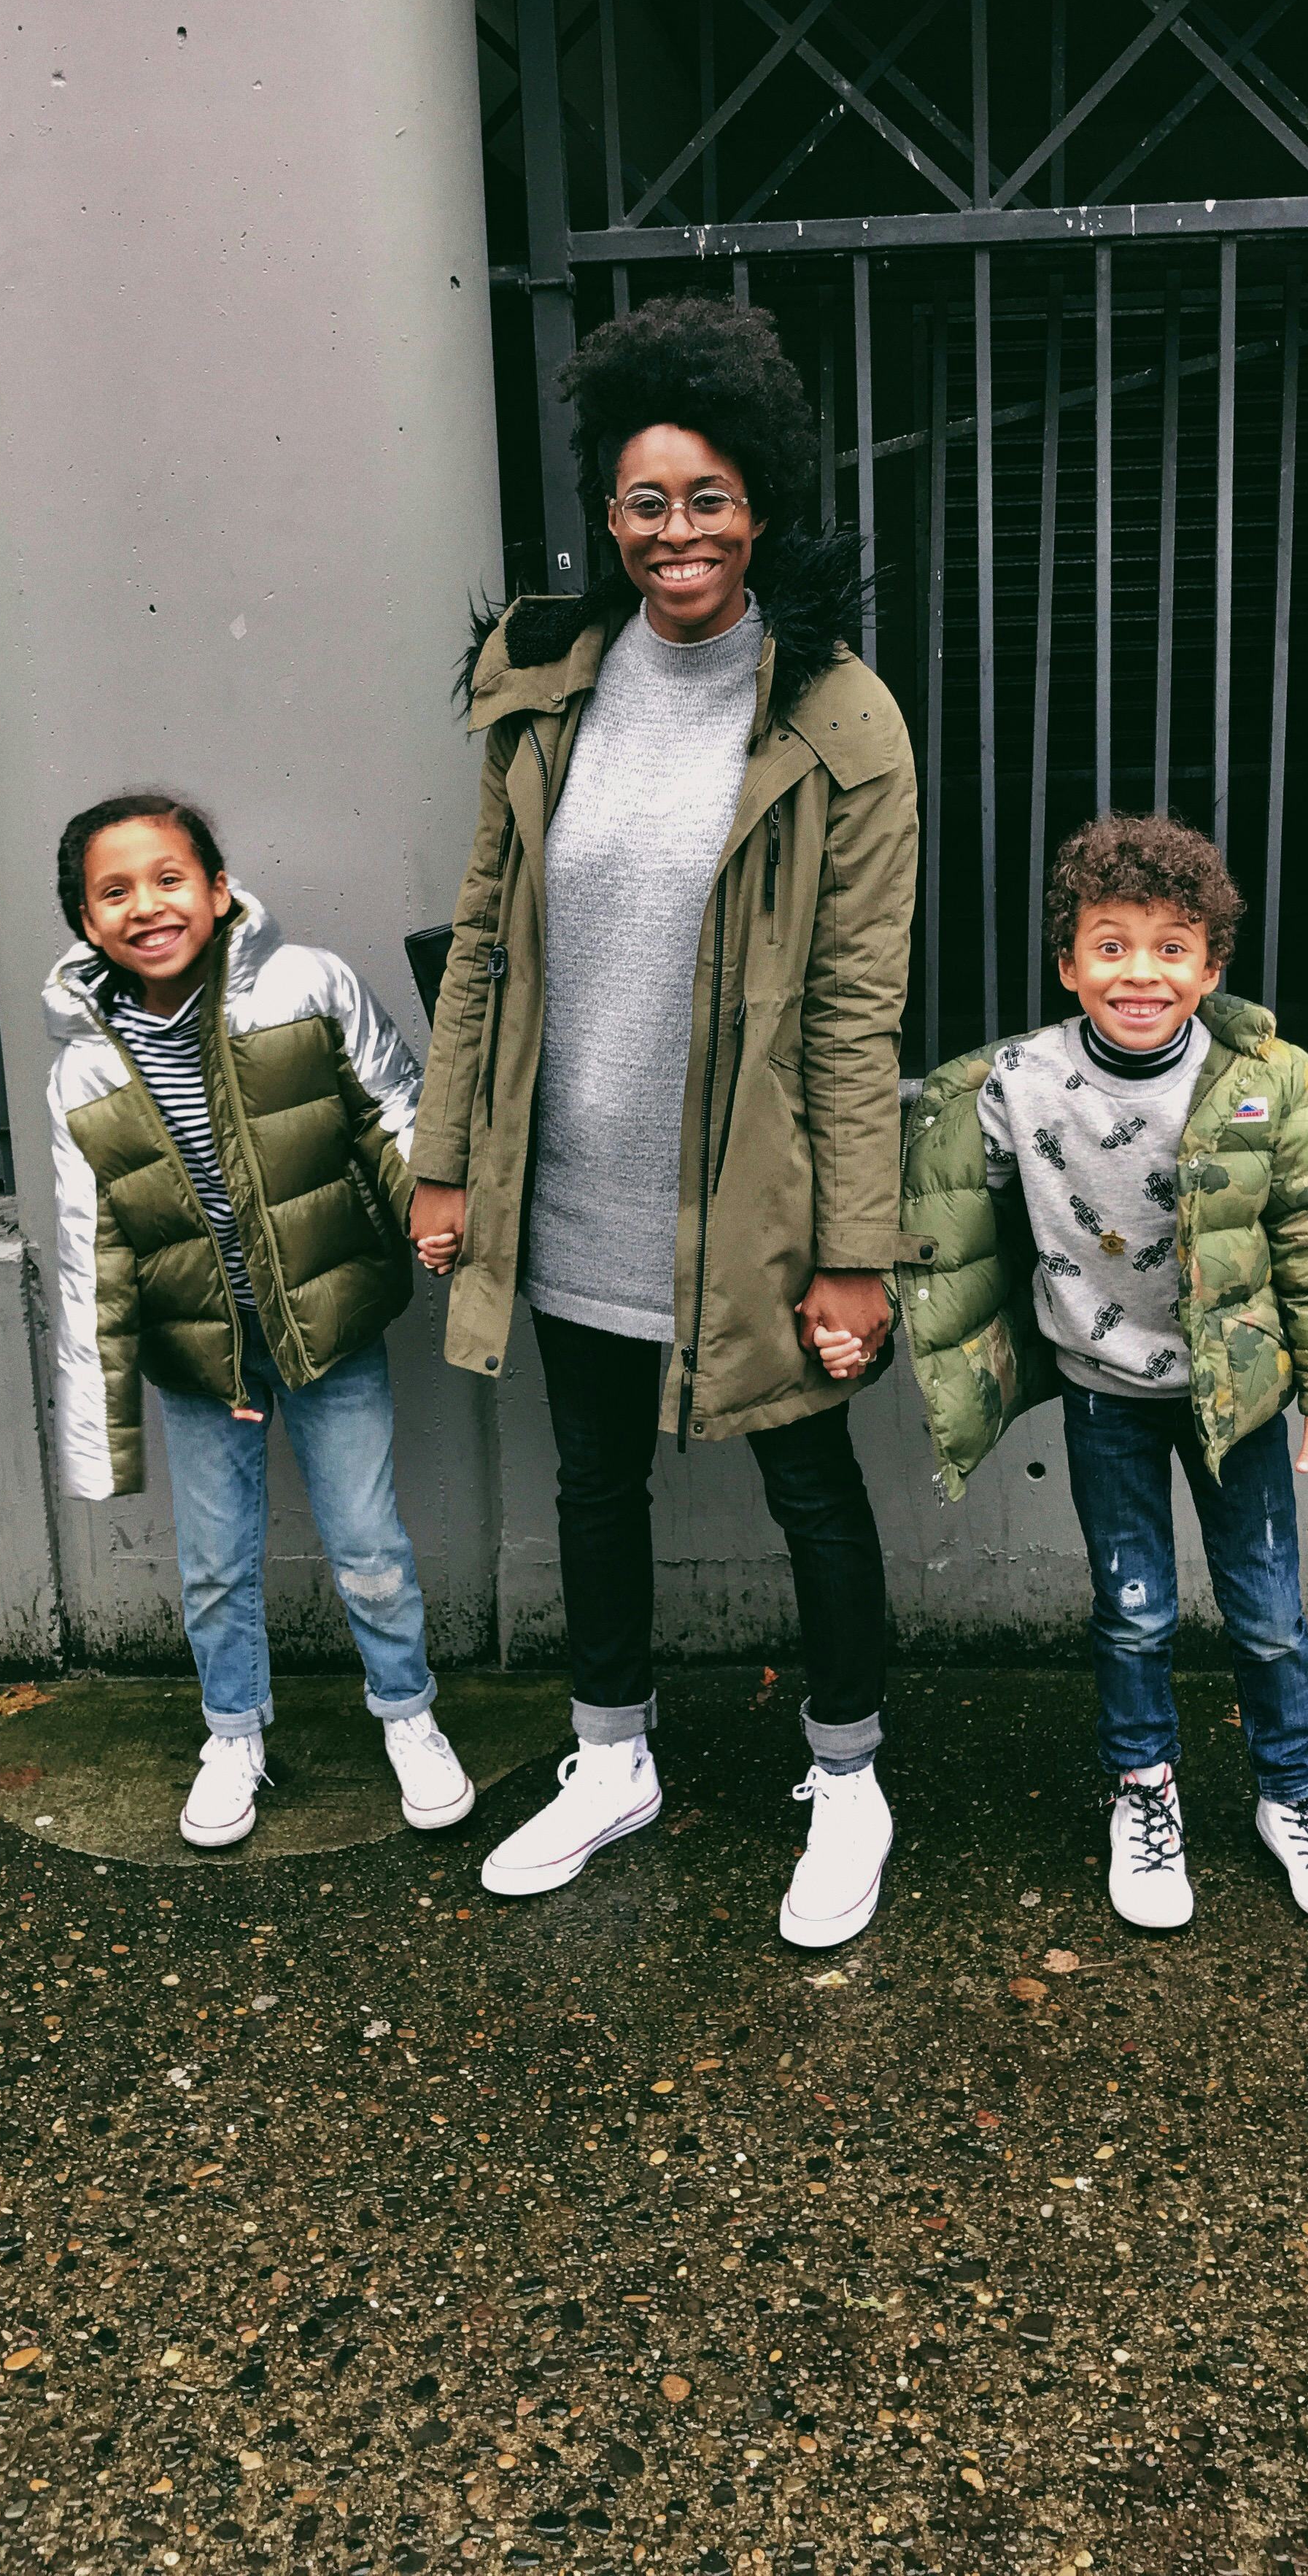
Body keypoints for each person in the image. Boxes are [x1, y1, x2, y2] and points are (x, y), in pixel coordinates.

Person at [409, 296, 925, 1949]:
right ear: (608, 515)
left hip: (755, 1209)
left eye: (707, 497)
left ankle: (848, 1782)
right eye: (646, 501)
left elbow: (855, 1011)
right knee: (592, 1488)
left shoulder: (840, 720)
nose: (676, 531)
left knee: (814, 1496)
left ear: (757, 503)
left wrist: (858, 1251)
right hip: (570, 1188)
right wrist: (443, 1162)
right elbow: (487, 937)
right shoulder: (545, 685)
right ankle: (611, 1756)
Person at [899, 811, 1308, 1930]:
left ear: (1211, 967)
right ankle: (1145, 1796)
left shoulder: (1270, 1082)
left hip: (1242, 1399)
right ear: (1069, 963)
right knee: (1131, 1614)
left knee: (1268, 1615)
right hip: (1102, 1393)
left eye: (1173, 946)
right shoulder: (1012, 1085)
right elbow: (939, 1223)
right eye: (1112, 943)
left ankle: (1292, 1799)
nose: (1141, 970)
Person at [44, 791, 476, 1850]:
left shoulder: (308, 986)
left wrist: (433, 1213)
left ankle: (408, 1715)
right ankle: (233, 1733)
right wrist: (101, 1427)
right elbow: (86, 1253)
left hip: (328, 1331)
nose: (148, 905)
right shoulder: (83, 1073)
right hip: (203, 1359)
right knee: (217, 1563)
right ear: (90, 925)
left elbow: (392, 1109)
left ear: (219, 888)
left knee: (368, 1541)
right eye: (115, 893)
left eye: (169, 878)